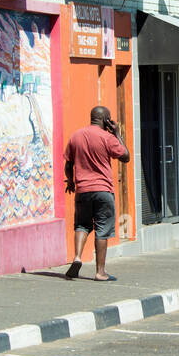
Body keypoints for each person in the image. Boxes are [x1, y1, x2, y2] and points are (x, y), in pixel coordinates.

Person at [63, 105, 130, 282]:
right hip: (103, 190)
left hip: (82, 190)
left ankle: (77, 257)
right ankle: (100, 272)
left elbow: (68, 164)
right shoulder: (107, 137)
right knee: (102, 230)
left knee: (82, 225)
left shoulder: (75, 136)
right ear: (106, 120)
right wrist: (116, 133)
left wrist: (70, 181)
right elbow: (126, 156)